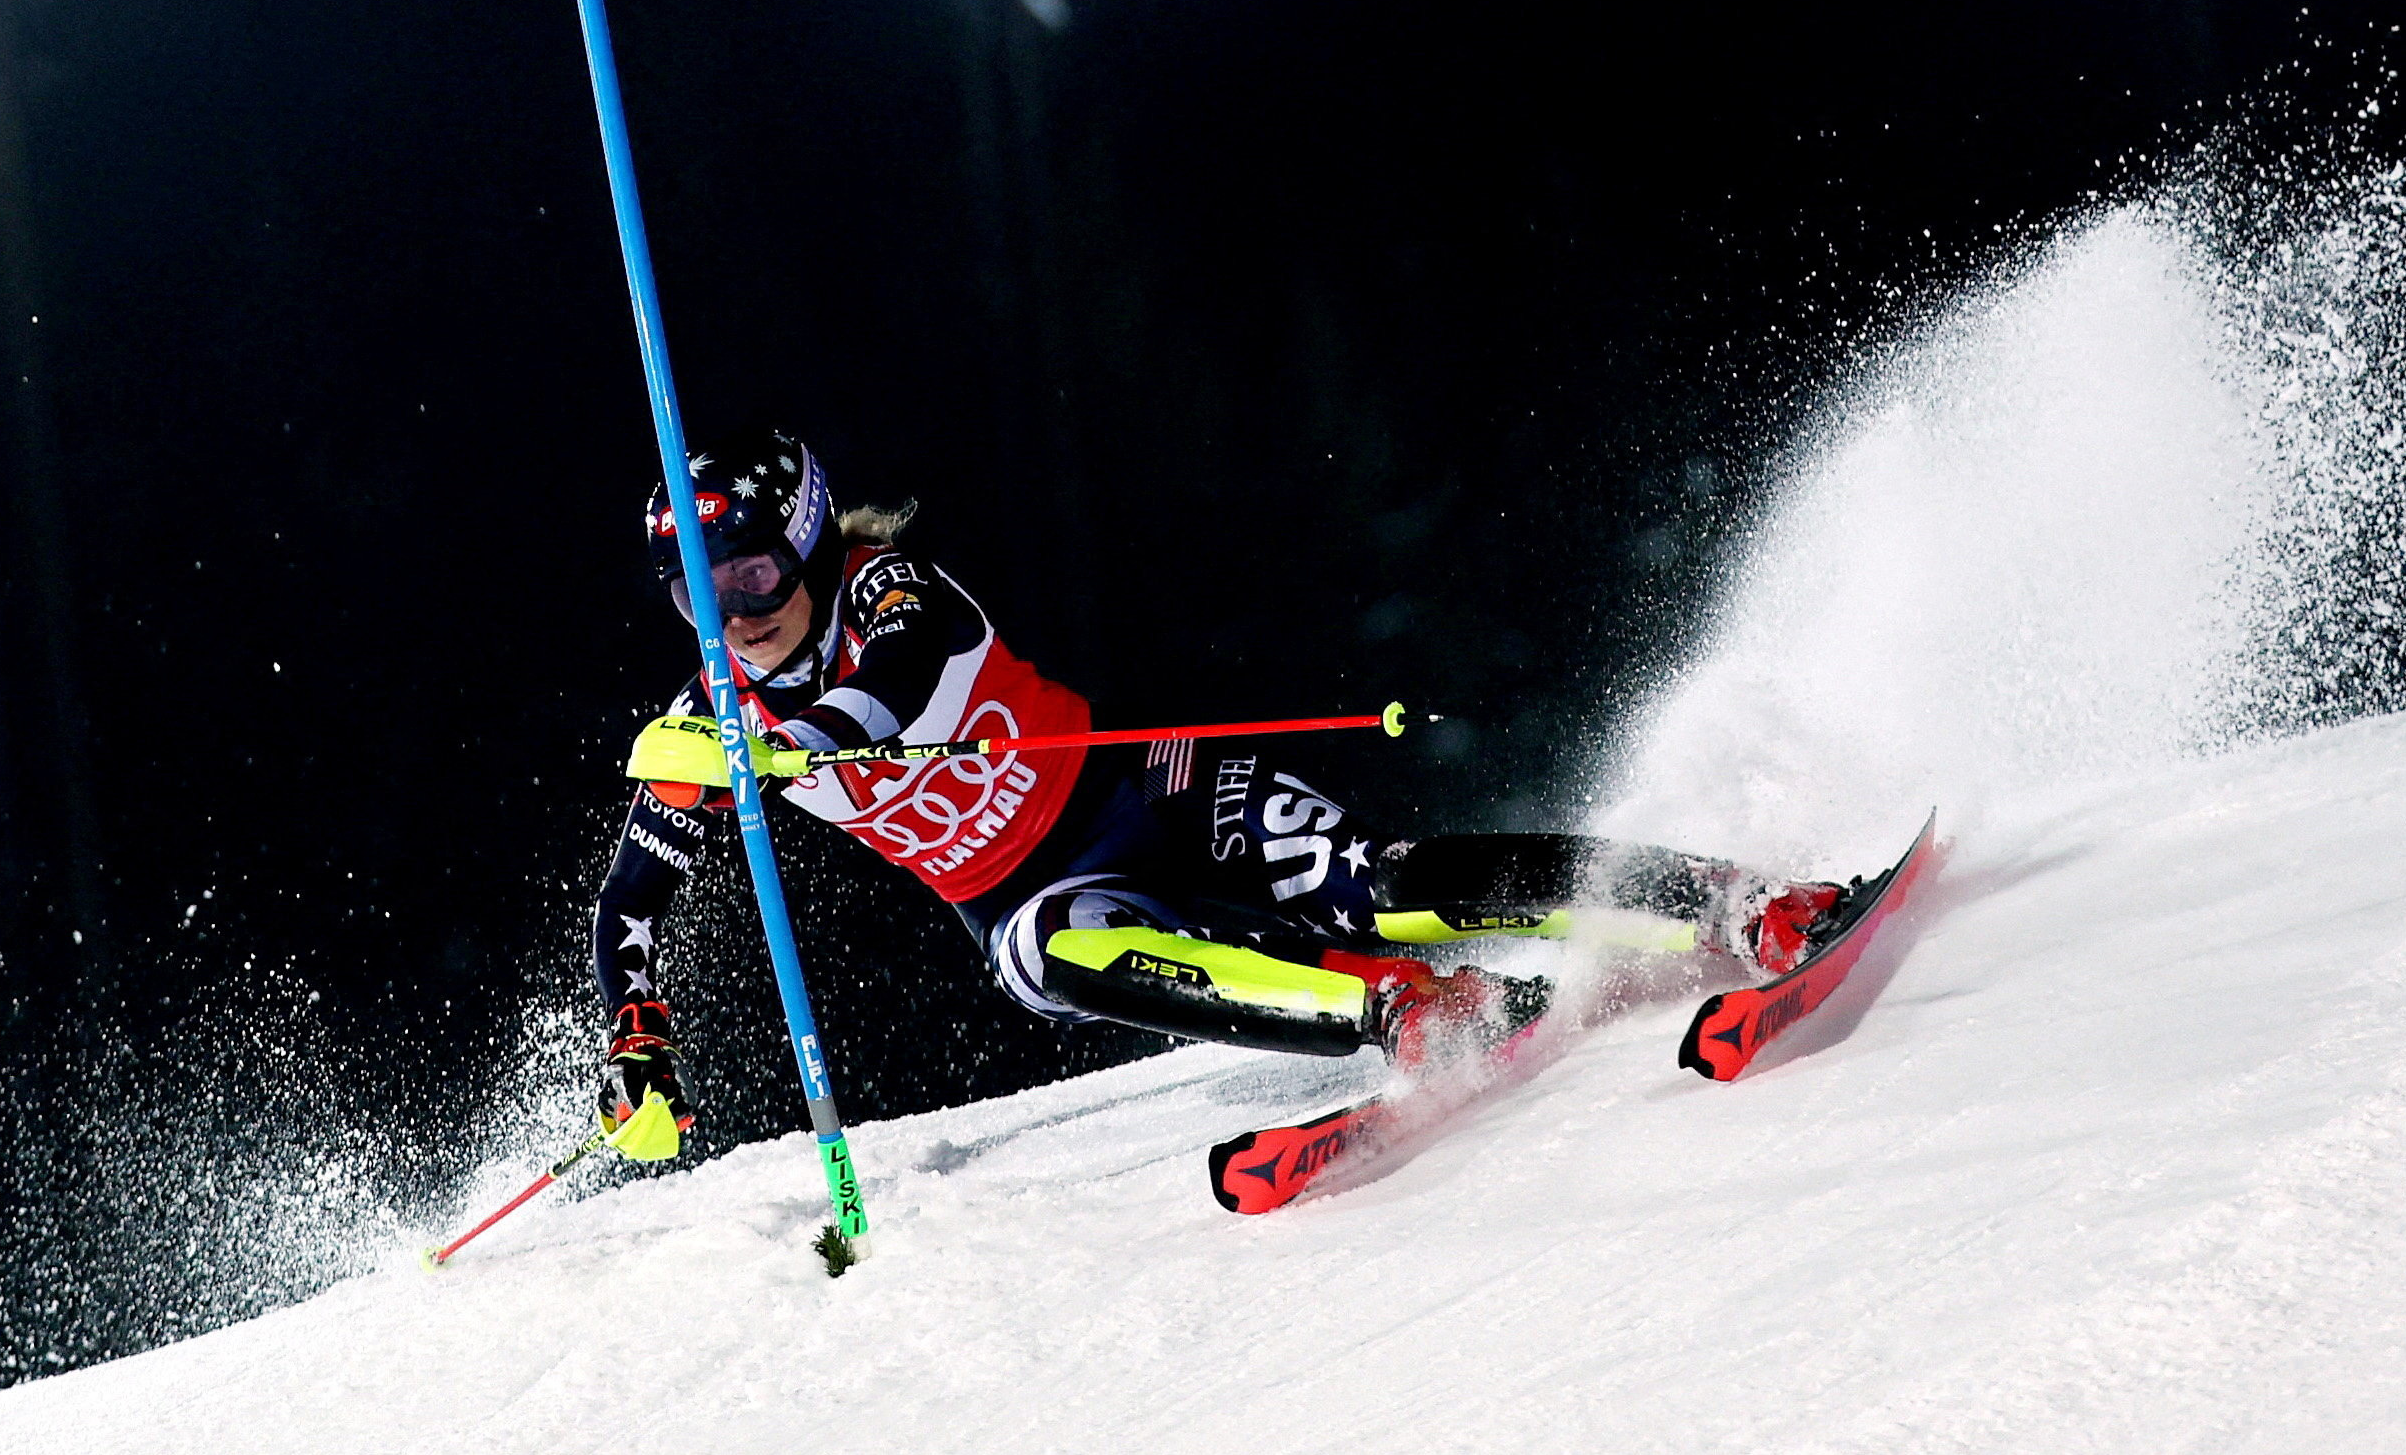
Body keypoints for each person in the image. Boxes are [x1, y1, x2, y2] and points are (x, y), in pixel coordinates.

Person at [590, 427, 1840, 1148]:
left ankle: (1736, 904)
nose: (733, 614)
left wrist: (781, 749)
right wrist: (636, 1039)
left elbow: (895, 687)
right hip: (1035, 898)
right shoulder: (714, 719)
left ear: (808, 540)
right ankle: (1409, 1010)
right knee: (1041, 956)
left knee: (1376, 886)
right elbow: (631, 897)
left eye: (751, 574)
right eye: (699, 591)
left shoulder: (886, 590)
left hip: (1144, 792)